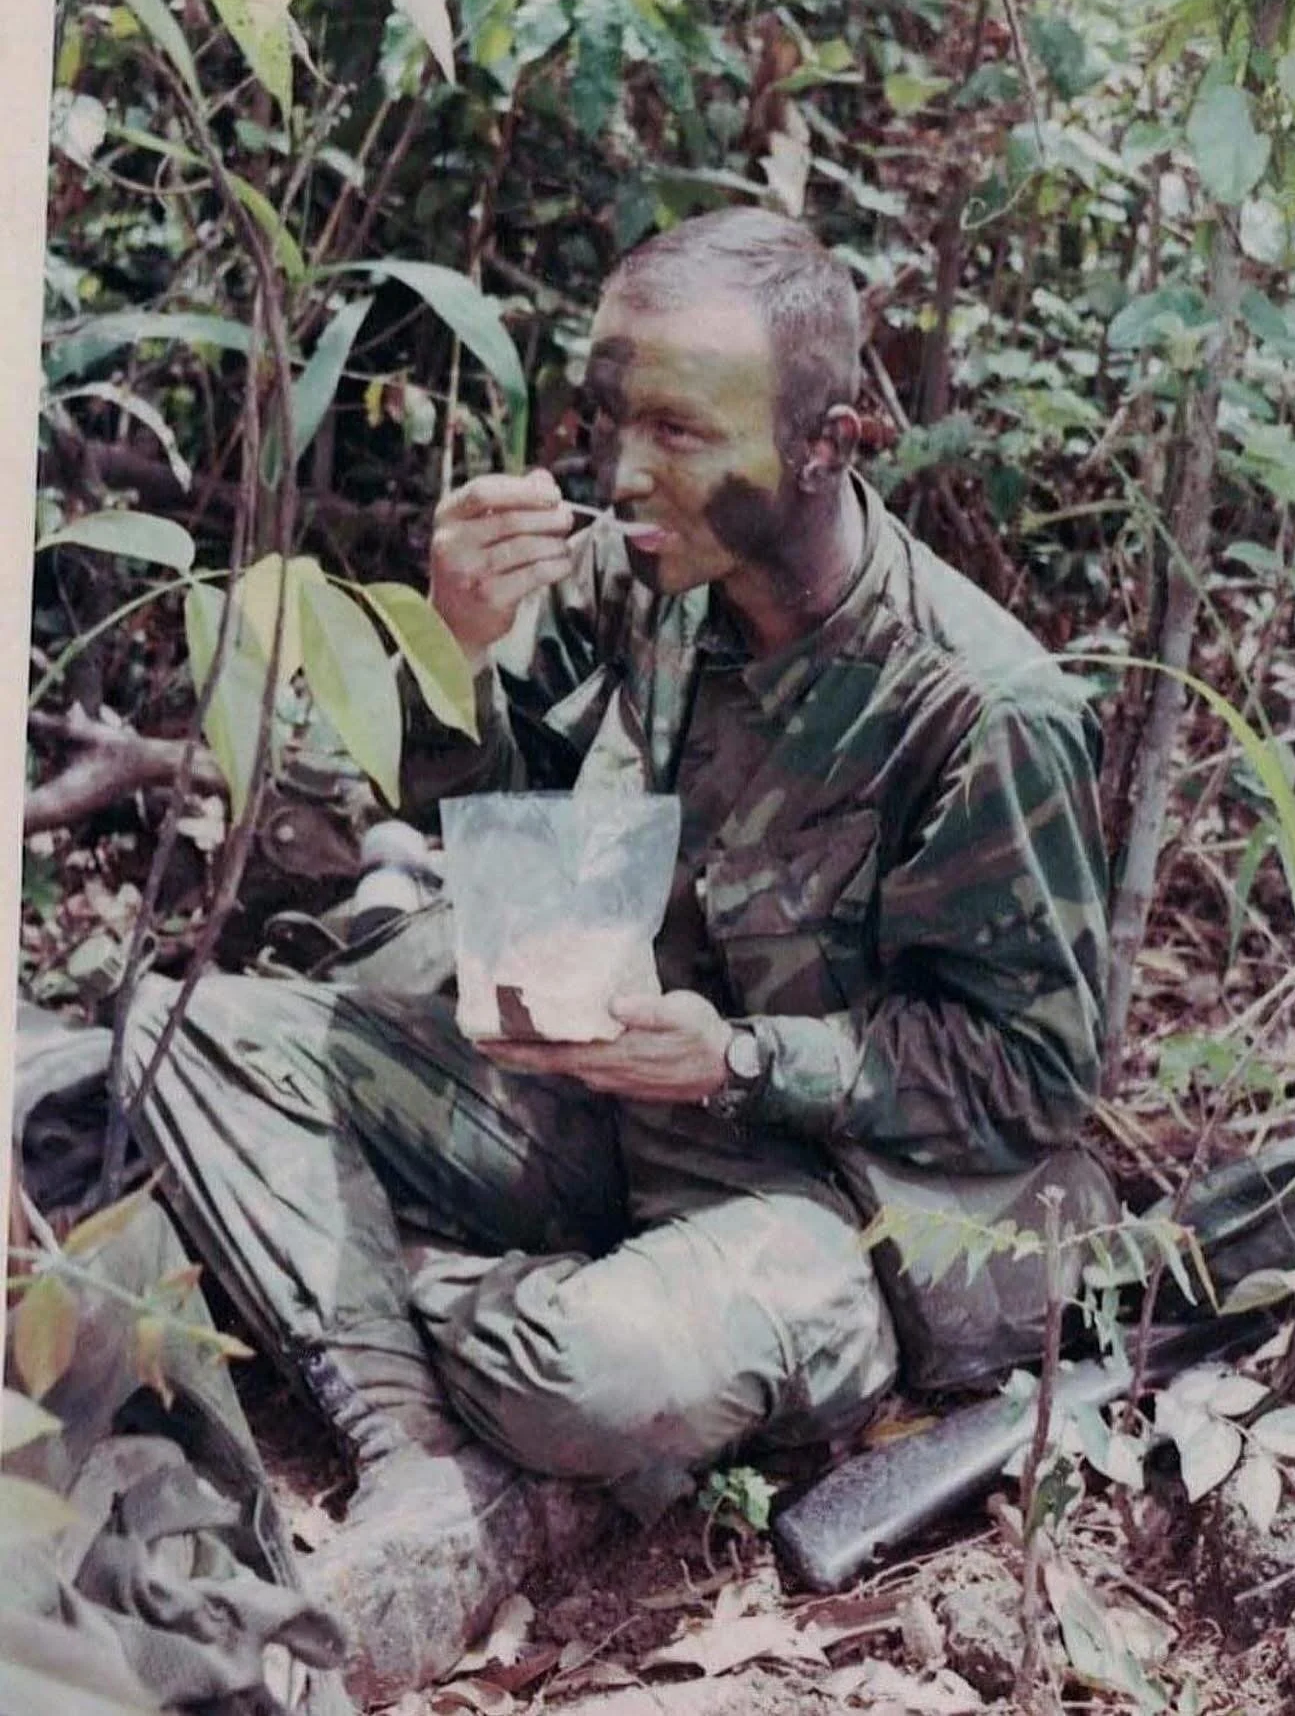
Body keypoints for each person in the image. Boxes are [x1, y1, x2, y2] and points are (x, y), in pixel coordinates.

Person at [122, 208, 1113, 1705]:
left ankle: (389, 1294)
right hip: (612, 1107)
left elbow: (1033, 1073)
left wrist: (740, 1056)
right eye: (607, 420)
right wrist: (454, 640)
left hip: (823, 1197)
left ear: (833, 440)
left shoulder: (983, 712)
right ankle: (412, 1451)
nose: (622, 473)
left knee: (579, 1372)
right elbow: (462, 804)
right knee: (173, 1028)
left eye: (675, 429)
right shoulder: (652, 575)